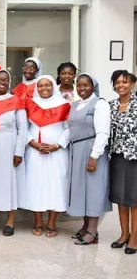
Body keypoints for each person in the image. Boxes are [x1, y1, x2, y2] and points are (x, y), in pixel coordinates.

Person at [67, 73, 111, 246]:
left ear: (93, 86)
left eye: (86, 85)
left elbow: (103, 132)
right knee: (82, 189)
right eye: (79, 85)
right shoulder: (76, 105)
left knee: (93, 189)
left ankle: (93, 231)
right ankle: (85, 227)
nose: (82, 88)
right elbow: (69, 128)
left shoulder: (100, 104)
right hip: (77, 149)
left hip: (91, 149)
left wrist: (94, 156)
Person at [0, 70, 27, 236]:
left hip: (10, 143)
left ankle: (10, 220)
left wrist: (19, 151)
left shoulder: (16, 100)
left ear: (9, 82)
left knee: (10, 182)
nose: (2, 82)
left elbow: (23, 128)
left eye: (6, 80)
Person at [25, 75, 70, 239]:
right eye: (41, 85)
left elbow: (68, 128)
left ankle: (51, 222)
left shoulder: (64, 104)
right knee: (36, 185)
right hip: (35, 152)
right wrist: (34, 144)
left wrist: (57, 145)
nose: (44, 88)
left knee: (55, 186)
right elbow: (25, 127)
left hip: (57, 153)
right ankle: (37, 221)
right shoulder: (31, 104)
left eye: (48, 85)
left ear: (53, 87)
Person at [108, 70, 137, 254]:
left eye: (125, 82)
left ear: (132, 84)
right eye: (117, 82)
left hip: (135, 157)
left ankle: (134, 237)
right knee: (121, 198)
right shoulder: (111, 106)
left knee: (134, 199)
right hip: (116, 156)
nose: (121, 85)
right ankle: (124, 234)